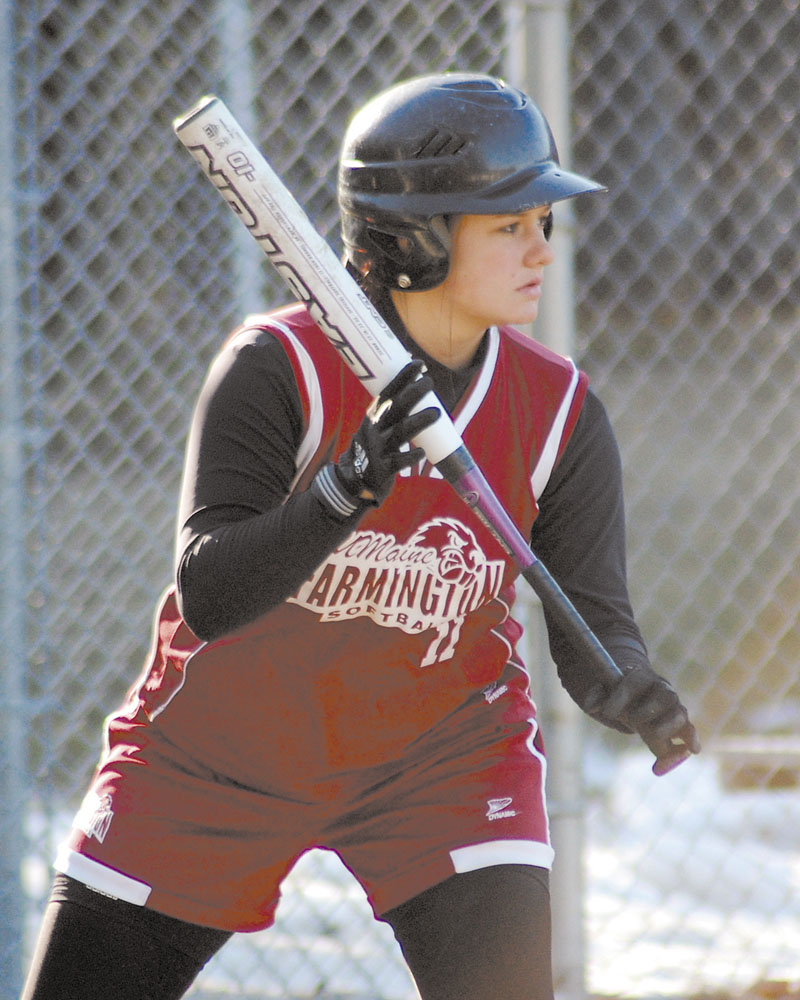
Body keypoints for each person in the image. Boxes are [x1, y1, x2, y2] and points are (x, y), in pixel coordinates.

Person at [21, 72, 700, 1000]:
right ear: (414, 243)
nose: (543, 250)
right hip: (220, 755)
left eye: (543, 222)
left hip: (440, 755)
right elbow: (209, 594)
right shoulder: (280, 368)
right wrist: (340, 493)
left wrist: (629, 684)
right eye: (510, 226)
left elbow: (593, 621)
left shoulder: (558, 412)